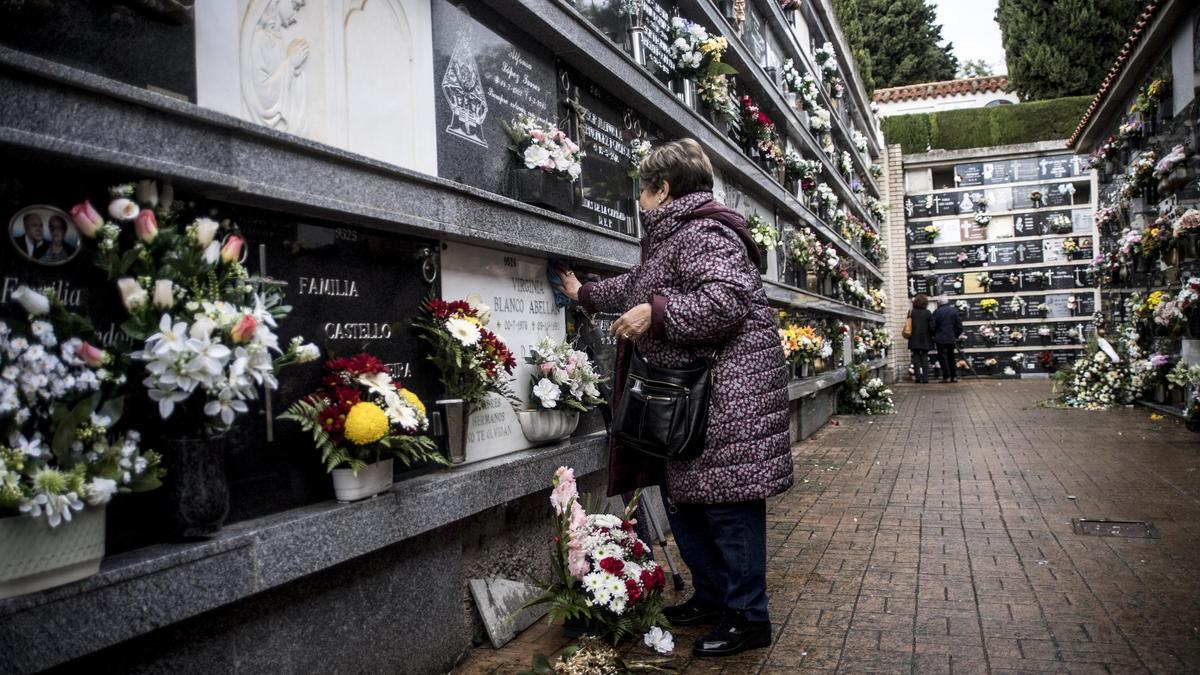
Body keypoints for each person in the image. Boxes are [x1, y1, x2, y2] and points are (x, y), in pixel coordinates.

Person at [555, 138, 792, 658]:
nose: (638, 202)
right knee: (690, 506)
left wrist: (655, 314)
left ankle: (749, 618)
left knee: (728, 511)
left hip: (729, 402)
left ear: (662, 189)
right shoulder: (675, 236)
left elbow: (724, 301)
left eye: (642, 189)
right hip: (699, 404)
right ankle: (713, 598)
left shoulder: (704, 231)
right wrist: (585, 294)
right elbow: (639, 285)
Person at [932, 296, 964, 382]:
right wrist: (955, 335)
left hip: (940, 338)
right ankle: (954, 376)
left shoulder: (936, 312)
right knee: (951, 357)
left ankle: (946, 376)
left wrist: (934, 335)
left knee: (942, 357)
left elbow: (932, 326)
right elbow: (959, 326)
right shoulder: (954, 311)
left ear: (939, 303)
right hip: (951, 338)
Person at [907, 294, 935, 383]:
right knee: (924, 357)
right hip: (925, 338)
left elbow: (908, 324)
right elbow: (932, 326)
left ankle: (918, 377)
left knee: (915, 358)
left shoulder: (911, 312)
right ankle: (926, 378)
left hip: (914, 338)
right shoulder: (928, 312)